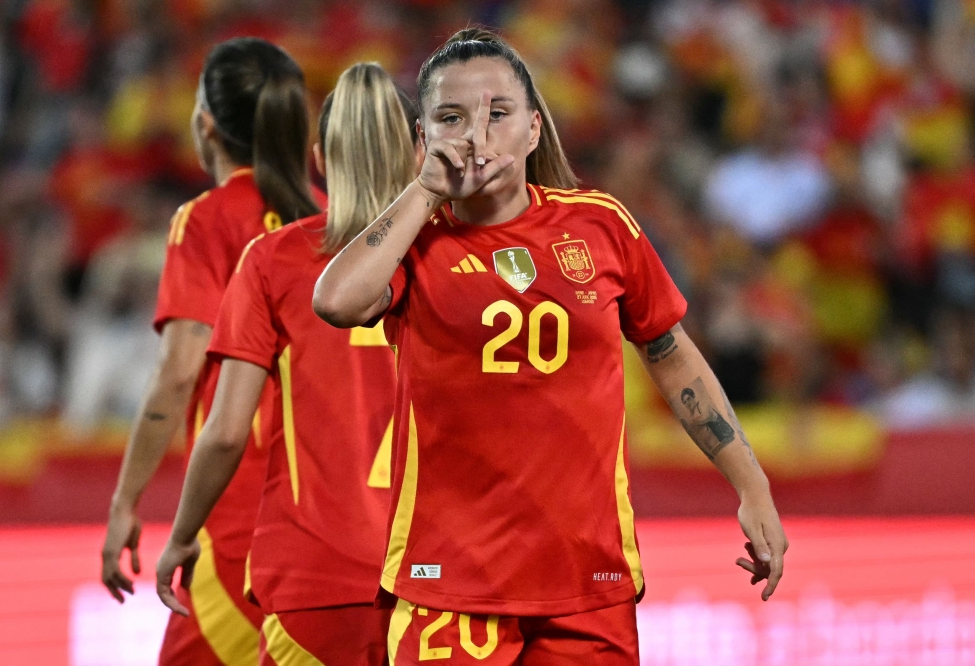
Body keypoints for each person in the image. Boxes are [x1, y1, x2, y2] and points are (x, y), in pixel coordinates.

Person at [314, 29, 788, 664]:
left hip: (586, 586)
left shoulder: (600, 225)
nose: (476, 135)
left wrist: (751, 483)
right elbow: (336, 301)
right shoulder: (415, 241)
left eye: (498, 113)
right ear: (424, 139)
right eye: (451, 118)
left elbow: (670, 353)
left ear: (534, 130)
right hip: (449, 587)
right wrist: (424, 190)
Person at [154, 62, 418, 665]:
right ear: (417, 152)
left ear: (320, 159)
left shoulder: (273, 260)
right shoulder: (454, 259)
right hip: (438, 587)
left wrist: (180, 535)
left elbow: (224, 432)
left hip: (317, 581)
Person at [100, 37, 319, 666]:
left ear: (206, 123)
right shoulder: (338, 221)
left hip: (238, 519)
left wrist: (125, 503)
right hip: (335, 515)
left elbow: (178, 372)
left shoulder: (205, 221)